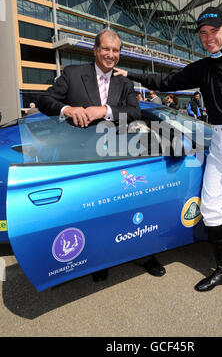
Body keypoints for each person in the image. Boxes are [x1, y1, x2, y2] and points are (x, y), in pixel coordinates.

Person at [114, 6, 222, 305]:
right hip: (218, 140)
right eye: (203, 34)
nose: (208, 38)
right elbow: (167, 82)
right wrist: (129, 74)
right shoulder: (203, 67)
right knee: (210, 208)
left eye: (214, 32)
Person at [38, 29, 165, 280]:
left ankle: (144, 255)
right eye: (105, 49)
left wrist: (104, 110)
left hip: (120, 158)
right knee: (92, 213)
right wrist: (67, 108)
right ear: (95, 50)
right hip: (84, 158)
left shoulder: (124, 82)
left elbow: (135, 112)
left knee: (132, 209)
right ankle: (97, 261)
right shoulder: (73, 74)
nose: (110, 55)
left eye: (115, 50)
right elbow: (44, 100)